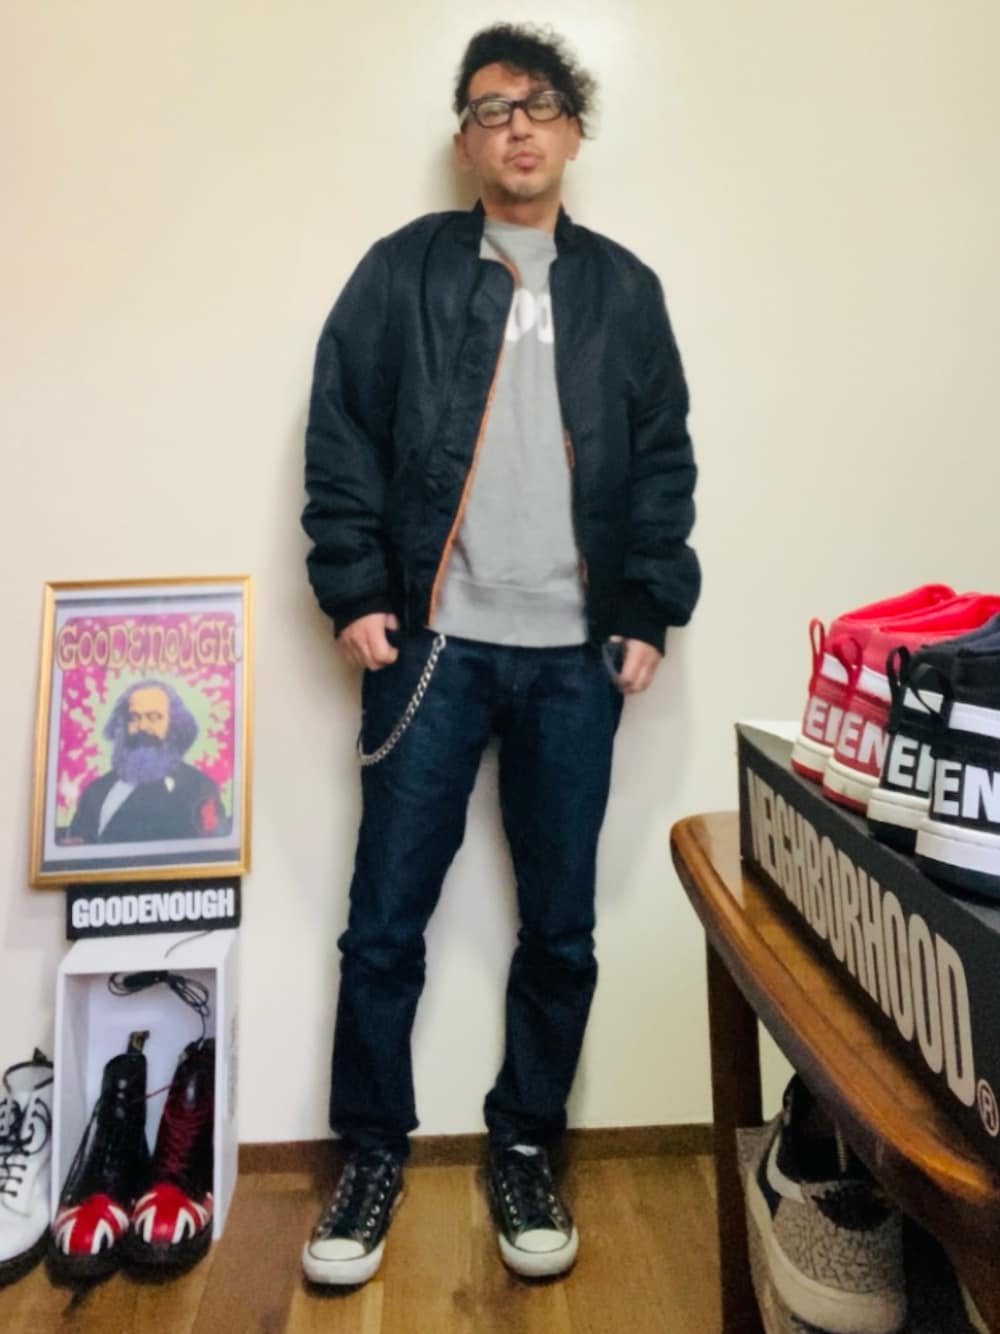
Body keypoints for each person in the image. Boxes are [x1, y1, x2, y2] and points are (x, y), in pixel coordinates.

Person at [300, 22, 700, 1286]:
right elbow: (340, 428)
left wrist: (646, 606)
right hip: (431, 649)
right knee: (383, 926)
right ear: (465, 139)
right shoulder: (400, 272)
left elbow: (663, 460)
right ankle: (371, 1152)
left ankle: (525, 1142)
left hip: (575, 660)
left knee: (561, 929)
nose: (515, 126)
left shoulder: (625, 291)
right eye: (489, 108)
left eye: (538, 104)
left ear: (572, 127)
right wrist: (355, 588)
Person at [67, 681, 227, 843]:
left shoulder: (199, 787)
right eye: (134, 717)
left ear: (174, 725)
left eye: (154, 717)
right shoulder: (96, 791)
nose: (143, 726)